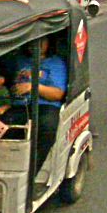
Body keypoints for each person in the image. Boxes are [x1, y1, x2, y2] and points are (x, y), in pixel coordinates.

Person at [11, 37, 67, 174]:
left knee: (47, 128)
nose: (35, 45)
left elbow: (58, 94)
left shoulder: (55, 64)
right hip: (20, 106)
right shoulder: (19, 60)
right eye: (31, 41)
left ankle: (32, 171)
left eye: (41, 41)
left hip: (45, 106)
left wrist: (32, 87)